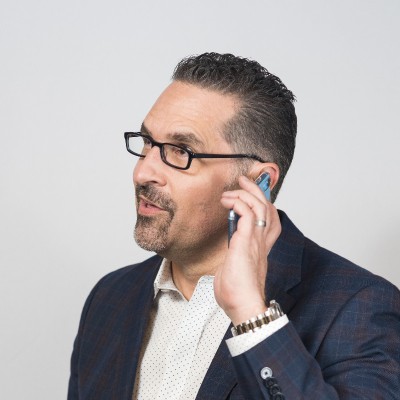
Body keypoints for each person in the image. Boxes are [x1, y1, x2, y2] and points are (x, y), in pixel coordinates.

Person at [68, 53, 400, 400]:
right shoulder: (110, 297)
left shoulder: (359, 307)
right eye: (148, 142)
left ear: (258, 182)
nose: (142, 172)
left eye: (181, 151)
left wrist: (251, 315)